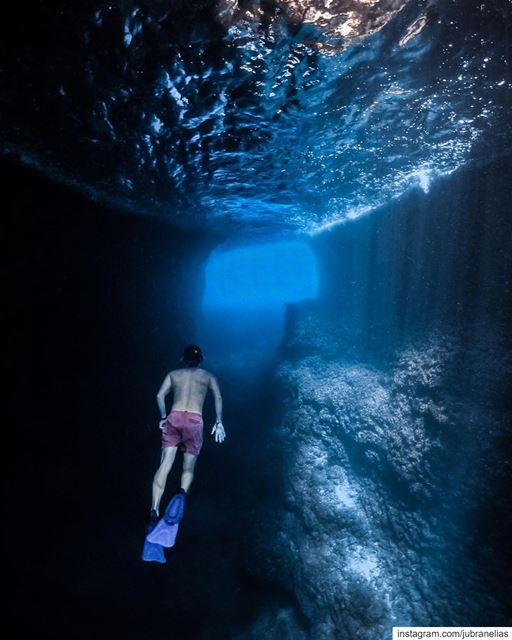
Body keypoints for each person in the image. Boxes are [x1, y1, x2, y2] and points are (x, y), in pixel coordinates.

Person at [150, 344, 225, 523]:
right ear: (202, 360)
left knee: (165, 465)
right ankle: (181, 497)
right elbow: (218, 397)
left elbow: (159, 396)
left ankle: (154, 510)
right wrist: (219, 421)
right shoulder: (208, 377)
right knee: (188, 468)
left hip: (174, 417)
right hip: (194, 421)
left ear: (182, 359)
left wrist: (163, 416)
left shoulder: (173, 375)